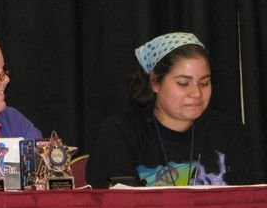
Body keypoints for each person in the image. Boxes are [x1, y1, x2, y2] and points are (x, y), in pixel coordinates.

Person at [87, 32, 256, 188]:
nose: (196, 93)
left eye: (204, 83)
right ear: (155, 82)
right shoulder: (119, 134)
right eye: (183, 83)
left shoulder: (231, 134)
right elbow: (113, 204)